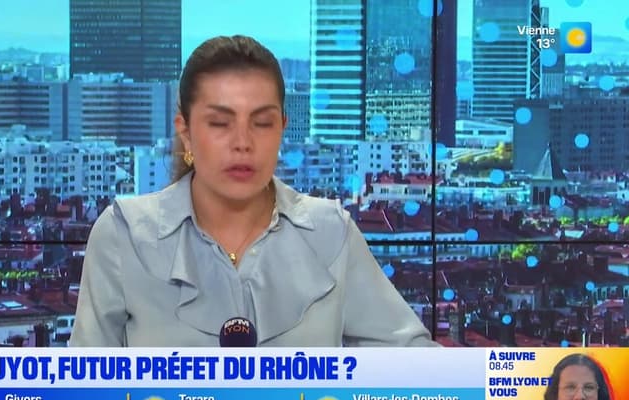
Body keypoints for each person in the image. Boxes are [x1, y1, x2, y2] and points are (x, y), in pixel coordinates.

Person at [69, 35, 437, 347]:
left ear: (282, 130)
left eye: (262, 123)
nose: (243, 142)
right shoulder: (124, 235)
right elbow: (82, 391)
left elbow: (414, 363)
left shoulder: (329, 232)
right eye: (220, 123)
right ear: (186, 131)